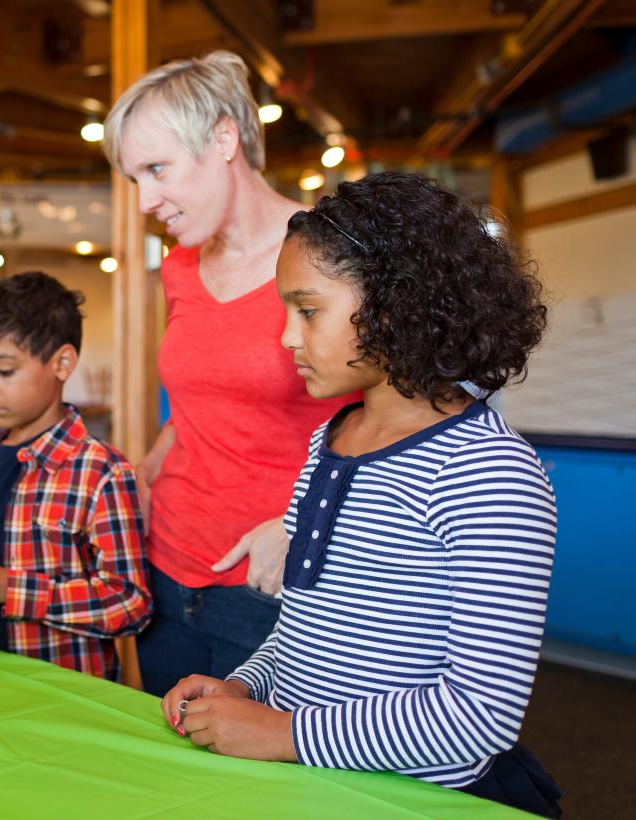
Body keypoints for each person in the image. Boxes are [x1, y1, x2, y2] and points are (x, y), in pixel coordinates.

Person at [160, 172, 561, 818]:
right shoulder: (330, 441)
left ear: (397, 303)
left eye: (308, 310)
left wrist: (280, 734)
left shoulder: (488, 472)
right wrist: (241, 687)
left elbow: (479, 717)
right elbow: (304, 631)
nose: (288, 338)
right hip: (318, 784)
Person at [102, 51, 354, 695]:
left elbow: (397, 418)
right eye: (135, 179)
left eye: (156, 169)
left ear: (222, 139)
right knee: (172, 773)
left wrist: (301, 524)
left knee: (270, 787)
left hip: (278, 579)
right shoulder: (182, 268)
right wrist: (145, 473)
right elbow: (196, 409)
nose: (145, 201)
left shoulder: (331, 252)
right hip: (167, 566)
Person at [0, 272, 151, 682]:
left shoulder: (99, 471)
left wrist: (9, 589)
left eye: (4, 370)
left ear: (62, 363)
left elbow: (129, 605)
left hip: (53, 697)